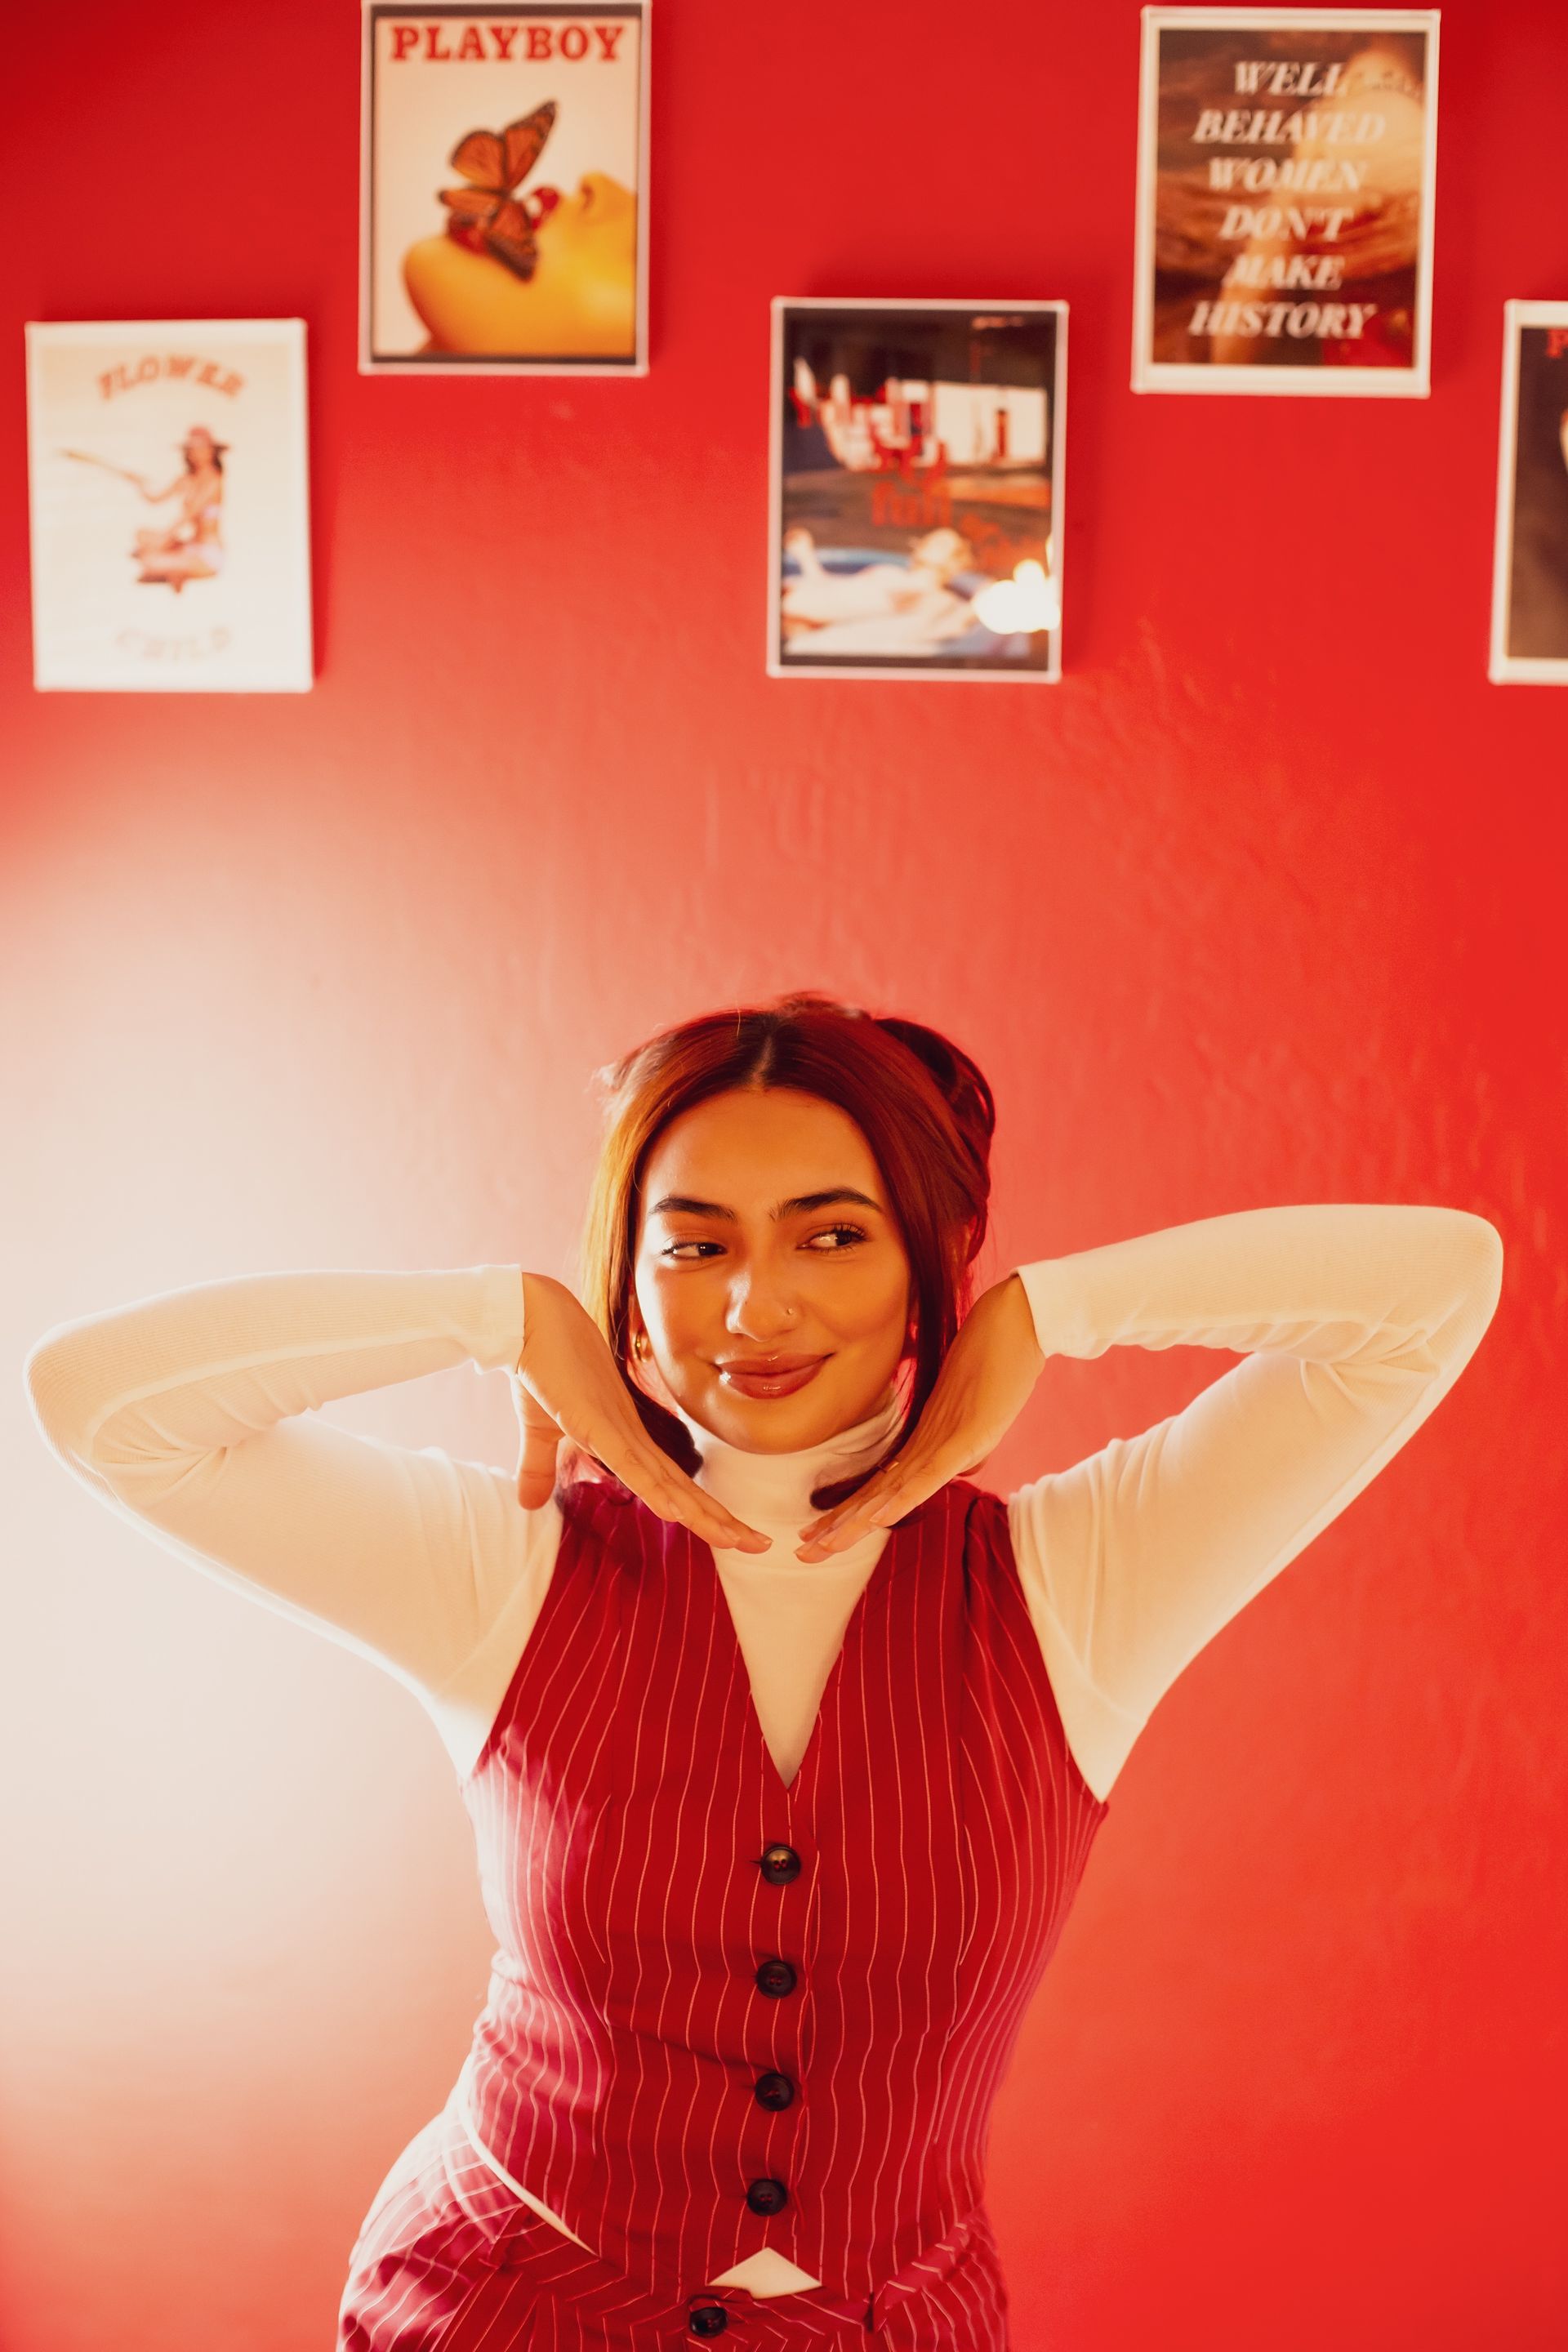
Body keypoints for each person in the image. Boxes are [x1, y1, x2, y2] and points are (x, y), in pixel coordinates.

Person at [23, 992, 1503, 2350]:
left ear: (929, 1267)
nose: (755, 1307)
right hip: (498, 2305)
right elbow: (98, 1404)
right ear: (632, 1282)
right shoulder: (511, 1562)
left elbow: (1438, 1285)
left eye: (834, 1234)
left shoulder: (1082, 1579)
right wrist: (499, 1315)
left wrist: (1052, 1315)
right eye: (695, 1242)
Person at [128, 425, 226, 590]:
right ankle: (176, 569)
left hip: (209, 554)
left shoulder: (213, 480)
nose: (197, 454)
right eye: (192, 449)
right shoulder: (186, 479)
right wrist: (139, 484)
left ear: (211, 452)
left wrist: (162, 540)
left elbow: (188, 515)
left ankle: (177, 570)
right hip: (191, 545)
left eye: (201, 449)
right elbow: (155, 499)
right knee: (142, 536)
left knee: (150, 561)